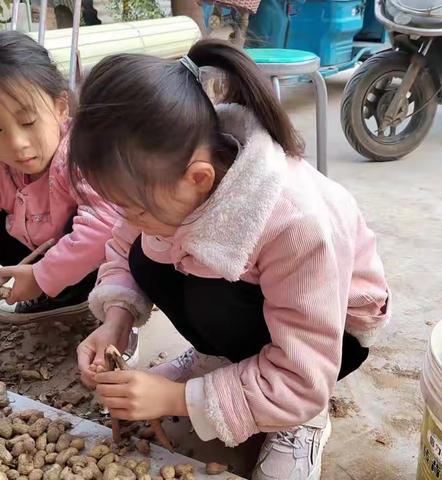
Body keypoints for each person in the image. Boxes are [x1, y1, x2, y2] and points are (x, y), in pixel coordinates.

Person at [71, 39, 391, 480]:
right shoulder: (165, 173)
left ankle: (300, 423)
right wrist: (116, 319)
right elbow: (124, 243)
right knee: (146, 253)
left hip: (330, 339)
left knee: (210, 298)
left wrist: (176, 399)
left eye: (136, 208)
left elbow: (305, 376)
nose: (130, 219)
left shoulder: (296, 224)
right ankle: (218, 361)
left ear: (199, 178)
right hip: (254, 301)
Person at [0, 31, 115, 325]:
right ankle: (52, 294)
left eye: (28, 122)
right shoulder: (7, 163)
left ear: (61, 107)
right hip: (41, 244)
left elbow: (103, 229)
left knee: (114, 243)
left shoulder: (79, 155)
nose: (17, 143)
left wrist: (41, 277)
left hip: (99, 264)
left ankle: (91, 306)